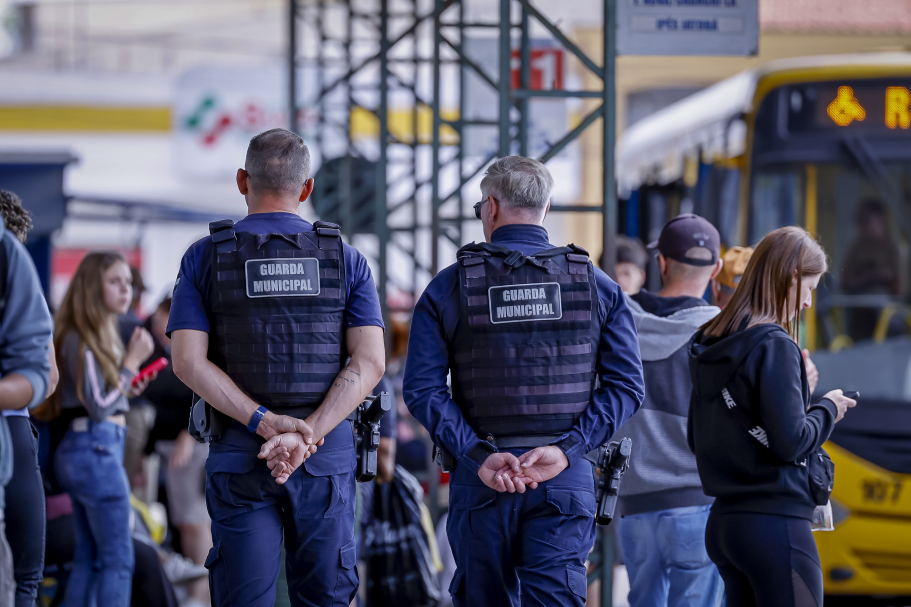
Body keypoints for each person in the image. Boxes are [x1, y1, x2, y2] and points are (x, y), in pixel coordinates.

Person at [403, 156, 644, 606]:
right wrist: (567, 450)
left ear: (491, 207)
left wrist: (478, 455)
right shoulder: (598, 286)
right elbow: (626, 386)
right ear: (546, 209)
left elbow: (423, 390)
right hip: (563, 479)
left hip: (483, 479)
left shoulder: (449, 287)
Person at [169, 128, 386, 607]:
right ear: (306, 188)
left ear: (242, 180)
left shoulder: (205, 257)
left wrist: (264, 423)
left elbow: (186, 361)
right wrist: (308, 433)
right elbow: (370, 361)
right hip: (324, 456)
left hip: (240, 453)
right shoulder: (345, 259)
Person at [689, 226, 857, 607]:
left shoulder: (712, 342)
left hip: (725, 525)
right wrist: (828, 408)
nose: (809, 303)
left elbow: (696, 439)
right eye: (809, 288)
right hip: (774, 525)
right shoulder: (774, 344)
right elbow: (791, 442)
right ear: (790, 277)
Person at [619, 214, 724, 607]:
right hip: (697, 502)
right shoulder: (722, 335)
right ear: (716, 269)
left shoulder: (618, 322)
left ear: (661, 262)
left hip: (635, 505)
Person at [51, 251, 155, 607]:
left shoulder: (90, 333)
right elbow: (97, 406)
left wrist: (127, 385)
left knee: (90, 558)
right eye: (115, 281)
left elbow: (99, 398)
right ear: (92, 285)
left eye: (128, 282)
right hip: (94, 447)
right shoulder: (83, 335)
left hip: (88, 448)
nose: (126, 289)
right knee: (118, 560)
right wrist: (131, 364)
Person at [0, 191, 56, 607]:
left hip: (13, 431)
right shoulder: (24, 291)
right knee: (24, 579)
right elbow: (47, 378)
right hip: (13, 425)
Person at [139, 296, 211, 607]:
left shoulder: (193, 352)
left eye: (161, 321)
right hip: (170, 450)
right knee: (186, 522)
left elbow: (203, 392)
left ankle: (201, 594)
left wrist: (187, 434)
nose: (157, 327)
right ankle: (197, 591)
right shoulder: (164, 353)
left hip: (189, 449)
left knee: (195, 522)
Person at [841, 199, 901, 341]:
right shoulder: (857, 248)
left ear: (880, 221)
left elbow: (899, 289)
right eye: (859, 220)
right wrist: (869, 276)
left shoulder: (894, 248)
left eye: (865, 220)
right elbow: (846, 280)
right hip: (859, 310)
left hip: (887, 314)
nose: (860, 225)